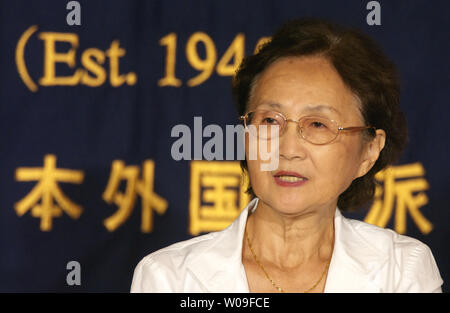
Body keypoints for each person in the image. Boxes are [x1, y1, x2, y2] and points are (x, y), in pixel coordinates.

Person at [130, 18, 443, 293]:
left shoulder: (401, 270)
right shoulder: (169, 278)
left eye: (318, 124)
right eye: (269, 121)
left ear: (369, 151)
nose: (288, 149)